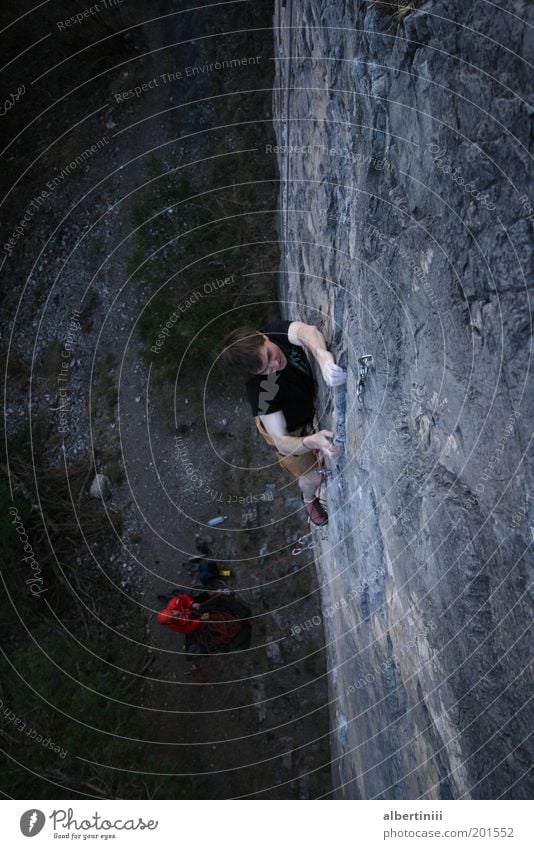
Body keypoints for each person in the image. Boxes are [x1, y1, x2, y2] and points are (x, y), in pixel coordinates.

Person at [221, 319, 347, 525]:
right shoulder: (262, 392)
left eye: (270, 354)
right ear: (255, 375)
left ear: (262, 336)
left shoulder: (274, 331)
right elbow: (281, 441)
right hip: (288, 429)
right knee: (312, 477)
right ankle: (308, 499)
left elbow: (308, 332)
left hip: (301, 405)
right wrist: (311, 441)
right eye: (265, 369)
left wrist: (322, 356)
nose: (275, 363)